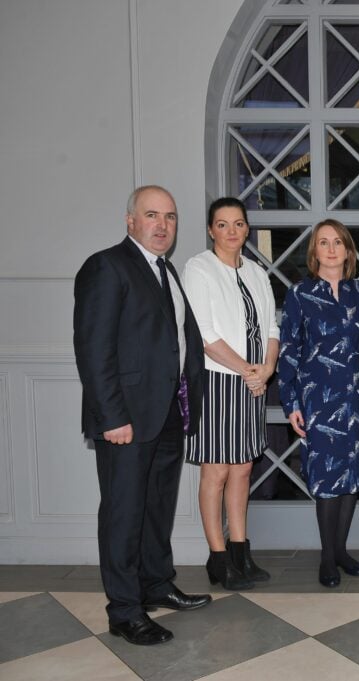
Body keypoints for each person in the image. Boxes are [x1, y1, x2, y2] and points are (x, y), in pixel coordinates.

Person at [73, 185, 211, 646]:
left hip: (168, 414)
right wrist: (112, 416)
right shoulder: (106, 267)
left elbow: (178, 341)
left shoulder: (166, 270)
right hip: (125, 421)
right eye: (152, 215)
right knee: (123, 514)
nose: (162, 225)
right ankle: (125, 610)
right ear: (130, 220)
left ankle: (156, 583)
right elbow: (94, 350)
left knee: (155, 509)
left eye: (170, 217)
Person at [278, 219, 359, 588]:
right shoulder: (300, 294)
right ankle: (326, 557)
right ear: (314, 252)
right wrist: (290, 400)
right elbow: (290, 349)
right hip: (320, 399)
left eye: (338, 242)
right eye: (324, 242)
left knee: (353, 475)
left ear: (348, 250)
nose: (332, 248)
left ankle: (341, 550)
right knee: (326, 477)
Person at [182, 197, 280, 591]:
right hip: (219, 381)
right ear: (211, 230)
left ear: (247, 229)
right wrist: (248, 371)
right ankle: (218, 557)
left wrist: (267, 370)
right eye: (222, 224)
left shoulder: (257, 272)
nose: (232, 231)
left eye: (238, 224)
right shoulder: (198, 268)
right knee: (217, 470)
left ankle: (241, 551)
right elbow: (203, 333)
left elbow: (272, 326)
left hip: (254, 381)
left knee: (242, 468)